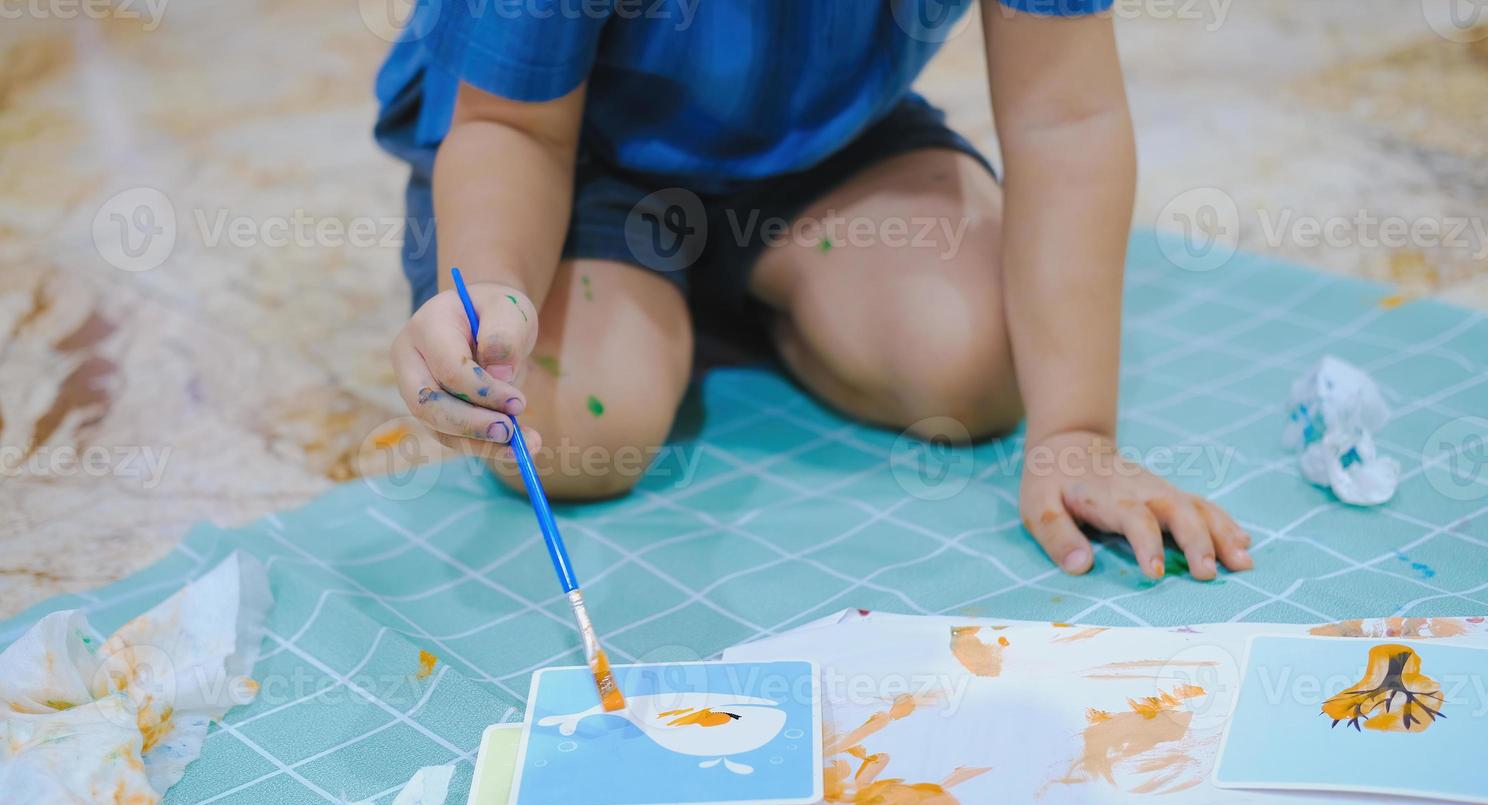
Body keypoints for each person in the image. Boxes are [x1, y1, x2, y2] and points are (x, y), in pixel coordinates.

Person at [375, 0, 1254, 582]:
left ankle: (715, 293)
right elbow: (509, 129)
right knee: (566, 433)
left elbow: (1066, 116)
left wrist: (1076, 433)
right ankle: (648, 299)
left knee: (974, 367)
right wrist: (496, 289)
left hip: (823, 147)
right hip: (573, 158)